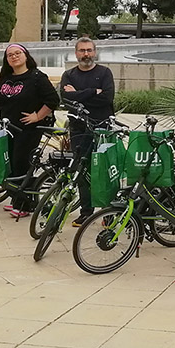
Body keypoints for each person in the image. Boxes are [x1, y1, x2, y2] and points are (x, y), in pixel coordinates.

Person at [0, 44, 59, 217]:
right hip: (7, 129)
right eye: (10, 55)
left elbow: (53, 100)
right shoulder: (5, 78)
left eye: (18, 53)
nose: (14, 57)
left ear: (26, 56)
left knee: (22, 164)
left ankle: (25, 205)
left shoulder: (37, 77)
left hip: (28, 130)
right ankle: (16, 199)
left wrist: (37, 116)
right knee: (9, 165)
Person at [59, 37, 116, 227]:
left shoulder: (105, 73)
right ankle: (86, 211)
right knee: (82, 171)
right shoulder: (68, 75)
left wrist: (79, 93)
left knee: (105, 170)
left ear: (95, 52)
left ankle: (108, 212)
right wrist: (93, 92)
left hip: (102, 128)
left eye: (89, 50)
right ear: (76, 53)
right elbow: (66, 99)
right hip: (78, 129)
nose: (86, 54)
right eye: (82, 51)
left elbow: (107, 99)